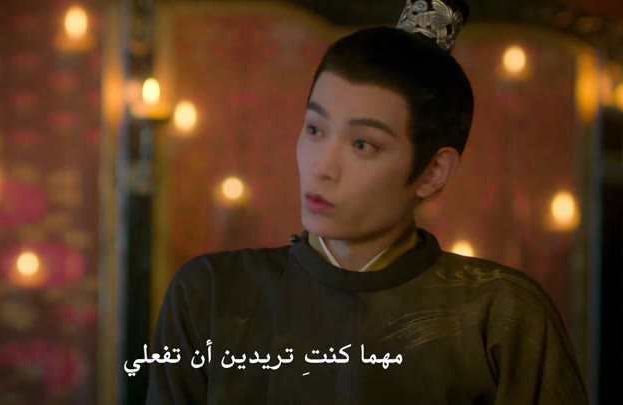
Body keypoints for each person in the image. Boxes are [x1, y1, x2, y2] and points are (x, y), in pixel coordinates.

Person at [145, 0, 590, 403]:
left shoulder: (500, 314)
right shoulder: (212, 294)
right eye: (315, 130)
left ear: (433, 171)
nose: (322, 167)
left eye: (363, 144)